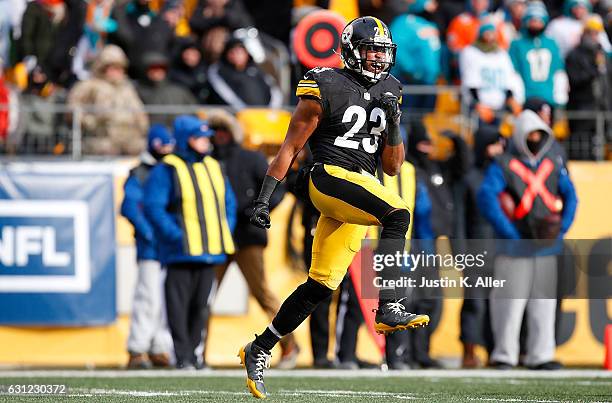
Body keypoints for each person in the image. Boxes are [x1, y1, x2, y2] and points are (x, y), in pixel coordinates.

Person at [239, 17, 430, 399]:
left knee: (321, 285)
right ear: (350, 50)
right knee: (398, 214)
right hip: (327, 176)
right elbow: (290, 147)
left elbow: (392, 167)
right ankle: (389, 303)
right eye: (372, 49)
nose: (378, 58)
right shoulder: (324, 82)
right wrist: (264, 198)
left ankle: (259, 347)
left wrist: (393, 122)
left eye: (383, 50)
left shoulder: (392, 89)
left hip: (360, 186)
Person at [477, 110, 578, 370]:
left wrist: (561, 229)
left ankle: (541, 355)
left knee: (543, 305)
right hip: (514, 247)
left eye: (539, 135)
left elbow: (571, 197)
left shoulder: (553, 163)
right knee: (508, 304)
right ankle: (504, 354)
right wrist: (509, 233)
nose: (535, 139)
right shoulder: (502, 164)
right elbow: (487, 198)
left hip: (545, 247)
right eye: (531, 134)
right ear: (520, 136)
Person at [208, 109, 300, 369]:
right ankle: (194, 353)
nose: (219, 136)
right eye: (215, 132)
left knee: (263, 294)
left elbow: (278, 188)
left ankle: (289, 344)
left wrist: (258, 211)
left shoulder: (250, 158)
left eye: (224, 131)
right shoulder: (206, 161)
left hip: (248, 237)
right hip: (217, 238)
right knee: (205, 295)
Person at [144, 115, 236, 369]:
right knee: (178, 308)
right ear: (186, 140)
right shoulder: (167, 168)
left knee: (201, 307)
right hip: (180, 253)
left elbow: (228, 203)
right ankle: (181, 355)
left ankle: (195, 355)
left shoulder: (215, 166)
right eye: (199, 138)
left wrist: (224, 229)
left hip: (211, 251)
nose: (206, 143)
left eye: (207, 138)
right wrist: (176, 236)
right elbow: (153, 207)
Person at [122, 124, 175, 369]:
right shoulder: (141, 173)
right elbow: (130, 206)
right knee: (148, 296)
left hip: (170, 246)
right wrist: (149, 233)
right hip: (152, 246)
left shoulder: (170, 171)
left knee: (166, 300)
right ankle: (138, 348)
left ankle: (159, 347)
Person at [67, 44, 149, 155]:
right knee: (106, 148)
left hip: (128, 139)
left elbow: (139, 111)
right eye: (112, 67)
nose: (116, 71)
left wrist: (143, 125)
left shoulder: (127, 88)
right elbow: (73, 107)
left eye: (119, 67)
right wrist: (89, 121)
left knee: (143, 147)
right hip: (100, 137)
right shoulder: (89, 86)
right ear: (102, 67)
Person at [460, 20, 524, 126]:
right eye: (487, 33)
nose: (490, 36)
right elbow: (470, 80)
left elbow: (509, 77)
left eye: (492, 33)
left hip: (500, 104)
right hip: (481, 104)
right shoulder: (471, 52)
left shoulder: (502, 54)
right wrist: (477, 103)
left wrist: (511, 98)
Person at [565, 16, 611, 160]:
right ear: (584, 33)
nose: (593, 36)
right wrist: (594, 70)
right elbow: (575, 80)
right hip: (582, 108)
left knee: (600, 147)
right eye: (590, 32)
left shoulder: (603, 55)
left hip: (602, 108)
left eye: (596, 33)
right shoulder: (575, 54)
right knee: (581, 147)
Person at [509, 1, 568, 108]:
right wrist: (517, 96)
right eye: (533, 20)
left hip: (548, 97)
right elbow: (514, 71)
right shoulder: (517, 43)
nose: (536, 24)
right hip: (527, 97)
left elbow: (558, 71)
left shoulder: (551, 44)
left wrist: (560, 97)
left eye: (539, 20)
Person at [389, 0, 441, 113]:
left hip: (429, 84)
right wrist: (412, 70)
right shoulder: (404, 22)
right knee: (406, 119)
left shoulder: (431, 25)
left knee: (425, 122)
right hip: (407, 81)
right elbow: (396, 48)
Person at [207, 36, 282, 109]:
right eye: (233, 52)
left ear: (246, 54)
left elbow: (274, 90)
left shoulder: (256, 69)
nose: (237, 55)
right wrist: (243, 110)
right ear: (227, 54)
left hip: (265, 115)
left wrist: (272, 109)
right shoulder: (219, 71)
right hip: (237, 115)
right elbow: (226, 94)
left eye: (240, 52)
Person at [109, 0, 175, 79]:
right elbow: (124, 38)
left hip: (152, 70)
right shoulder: (121, 13)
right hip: (130, 70)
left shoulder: (159, 16)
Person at [136, 52, 197, 127]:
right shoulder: (137, 91)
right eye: (153, 68)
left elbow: (195, 112)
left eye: (161, 68)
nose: (157, 71)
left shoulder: (179, 91)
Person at [545, 0, 612, 58]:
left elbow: (606, 47)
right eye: (576, 7)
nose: (579, 10)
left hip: (589, 62)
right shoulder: (558, 24)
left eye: (582, 7)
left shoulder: (594, 20)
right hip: (567, 60)